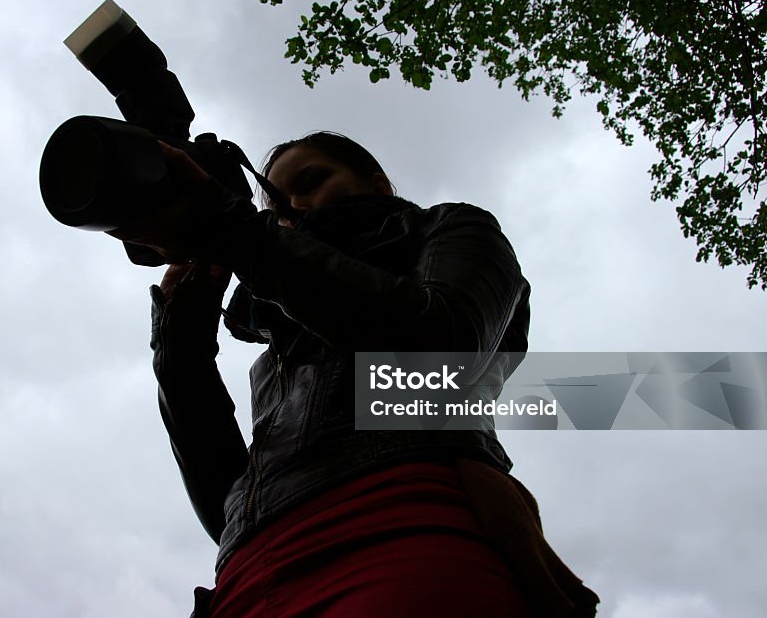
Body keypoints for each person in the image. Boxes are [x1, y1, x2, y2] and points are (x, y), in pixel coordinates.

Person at [113, 132, 598, 617]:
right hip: (247, 573)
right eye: (279, 208)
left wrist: (235, 230)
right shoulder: (279, 345)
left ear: (378, 183)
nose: (295, 207)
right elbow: (226, 506)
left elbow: (441, 354)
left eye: (311, 181)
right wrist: (181, 346)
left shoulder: (447, 228)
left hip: (402, 520)